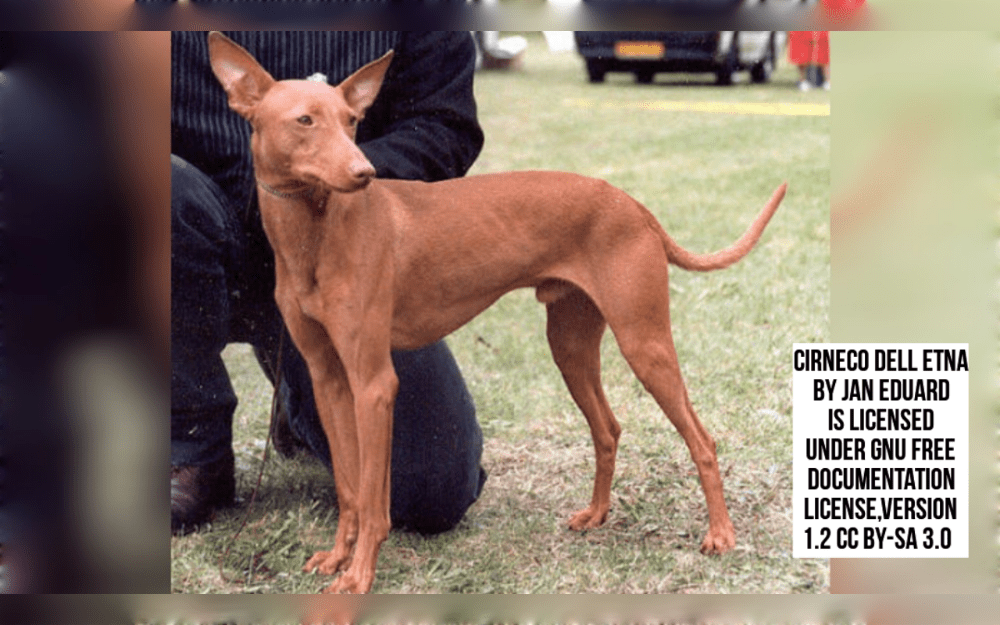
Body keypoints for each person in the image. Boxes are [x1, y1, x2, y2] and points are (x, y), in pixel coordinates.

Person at [171, 31, 487, 536]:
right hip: (194, 236)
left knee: (430, 492)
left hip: (341, 243)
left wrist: (337, 172)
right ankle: (188, 446)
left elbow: (444, 127)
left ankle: (300, 388)